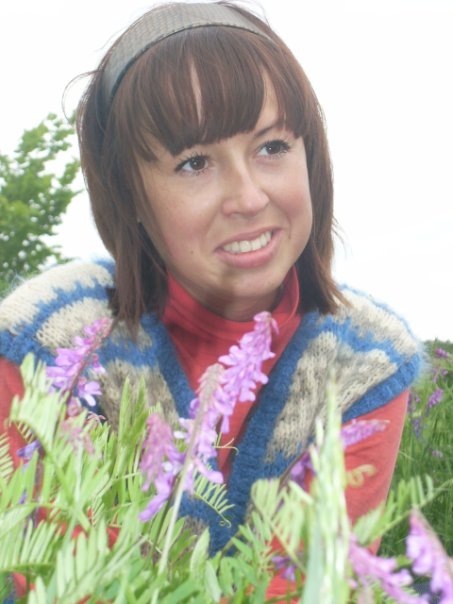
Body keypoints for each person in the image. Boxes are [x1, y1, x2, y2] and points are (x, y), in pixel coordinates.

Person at [0, 0, 421, 599]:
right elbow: (49, 579)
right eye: (194, 163)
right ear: (131, 197)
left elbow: (314, 585)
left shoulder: (366, 363)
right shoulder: (45, 340)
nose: (248, 198)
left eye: (272, 147)